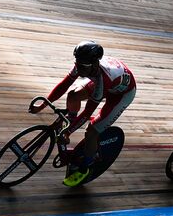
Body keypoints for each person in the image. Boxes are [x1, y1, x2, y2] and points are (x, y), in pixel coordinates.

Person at [34, 41, 136, 187]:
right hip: (112, 81)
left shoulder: (102, 80)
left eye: (83, 66)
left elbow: (88, 112)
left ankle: (85, 167)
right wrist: (43, 104)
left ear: (94, 64)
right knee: (73, 95)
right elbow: (65, 84)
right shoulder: (83, 65)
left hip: (122, 94)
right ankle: (70, 120)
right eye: (77, 63)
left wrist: (67, 131)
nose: (78, 69)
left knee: (92, 131)